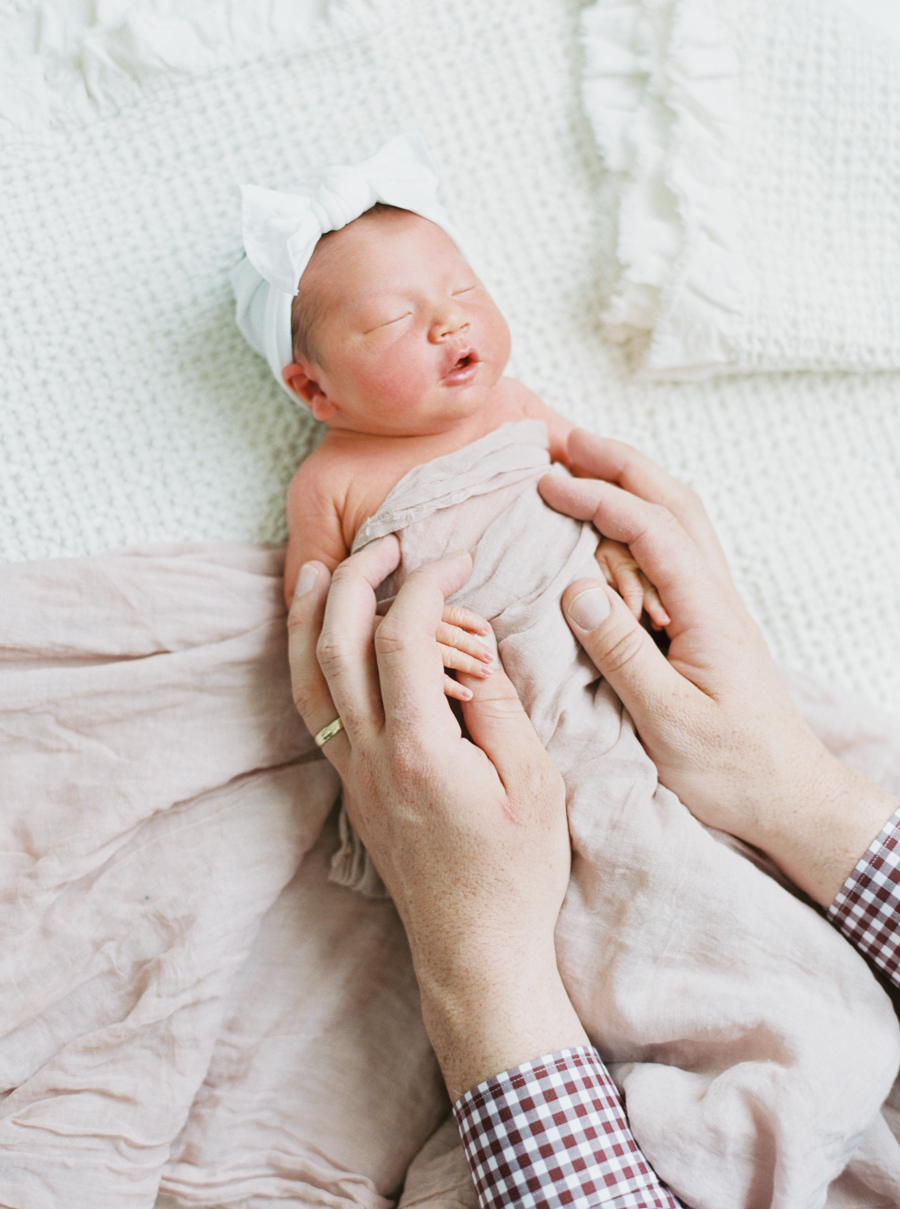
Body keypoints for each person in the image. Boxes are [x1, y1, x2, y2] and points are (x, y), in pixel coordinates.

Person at [287, 429, 900, 1208]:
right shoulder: (327, 477)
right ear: (313, 387)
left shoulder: (498, 411)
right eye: (383, 321)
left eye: (460, 296)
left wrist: (476, 956)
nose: (447, 326)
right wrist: (797, 789)